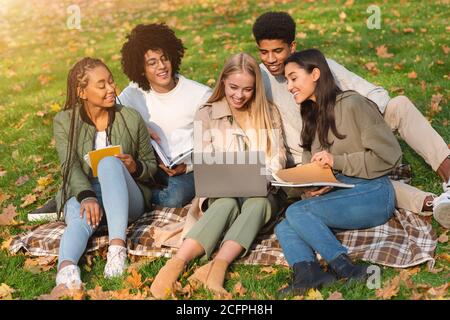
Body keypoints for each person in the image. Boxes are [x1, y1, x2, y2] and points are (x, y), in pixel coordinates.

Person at [252, 11, 450, 228]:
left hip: (347, 133)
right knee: (364, 179)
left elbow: (373, 94)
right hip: (311, 157)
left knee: (399, 105)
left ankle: (448, 176)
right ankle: (435, 203)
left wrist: (360, 125)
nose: (270, 59)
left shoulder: (317, 65)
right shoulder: (259, 78)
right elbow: (232, 94)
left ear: (292, 46)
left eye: (277, 51)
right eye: (264, 52)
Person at [150, 53, 286, 299]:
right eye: (233, 87)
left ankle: (218, 266)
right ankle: (176, 264)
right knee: (225, 204)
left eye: (247, 89)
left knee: (257, 203)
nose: (239, 95)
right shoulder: (207, 113)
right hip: (222, 190)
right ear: (223, 81)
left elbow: (277, 158)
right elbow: (204, 158)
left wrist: (265, 176)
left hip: (260, 191)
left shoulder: (268, 113)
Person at [275, 49, 402, 295]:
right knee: (285, 225)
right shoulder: (311, 116)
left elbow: (389, 156)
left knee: (296, 212)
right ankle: (308, 275)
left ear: (315, 74)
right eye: (287, 80)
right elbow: (316, 169)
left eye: (293, 78)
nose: (289, 86)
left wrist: (337, 161)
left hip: (374, 192)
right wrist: (311, 187)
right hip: (341, 192)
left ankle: (346, 267)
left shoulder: (354, 104)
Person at [53, 57, 157, 289]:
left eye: (111, 81)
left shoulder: (129, 117)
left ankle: (117, 249)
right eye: (102, 85)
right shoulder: (65, 121)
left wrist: (135, 167)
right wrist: (87, 196)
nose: (111, 89)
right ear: (82, 91)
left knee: (109, 163)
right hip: (85, 191)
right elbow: (69, 165)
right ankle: (66, 272)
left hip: (127, 195)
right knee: (79, 220)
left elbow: (150, 166)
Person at [118, 23, 212, 208]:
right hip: (148, 165)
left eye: (164, 58)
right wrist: (138, 124)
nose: (161, 66)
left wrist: (188, 166)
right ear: (141, 68)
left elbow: (216, 145)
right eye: (152, 63)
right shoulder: (133, 93)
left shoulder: (200, 95)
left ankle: (137, 196)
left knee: (174, 198)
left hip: (187, 168)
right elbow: (108, 111)